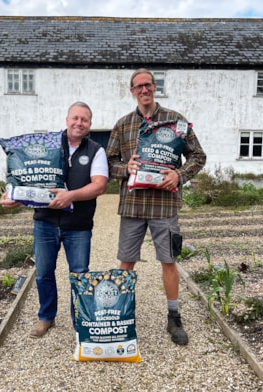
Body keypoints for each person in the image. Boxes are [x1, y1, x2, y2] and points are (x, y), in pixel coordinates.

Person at [106, 69, 206, 346]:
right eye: (138, 86)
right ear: (132, 91)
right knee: (126, 261)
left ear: (155, 87)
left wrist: (180, 175)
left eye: (148, 85)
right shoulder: (123, 124)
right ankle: (120, 314)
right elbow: (109, 163)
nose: (144, 90)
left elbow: (198, 155)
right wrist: (126, 168)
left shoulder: (176, 121)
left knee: (169, 261)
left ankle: (174, 317)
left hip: (165, 205)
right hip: (133, 206)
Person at [1, 101, 108, 338]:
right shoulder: (45, 145)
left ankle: (80, 319)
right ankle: (46, 317)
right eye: (75, 118)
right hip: (45, 223)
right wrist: (15, 197)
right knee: (43, 273)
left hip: (78, 226)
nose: (79, 123)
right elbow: (28, 178)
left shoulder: (95, 151)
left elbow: (99, 186)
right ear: (67, 120)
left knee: (79, 274)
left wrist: (71, 196)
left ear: (90, 124)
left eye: (85, 120)